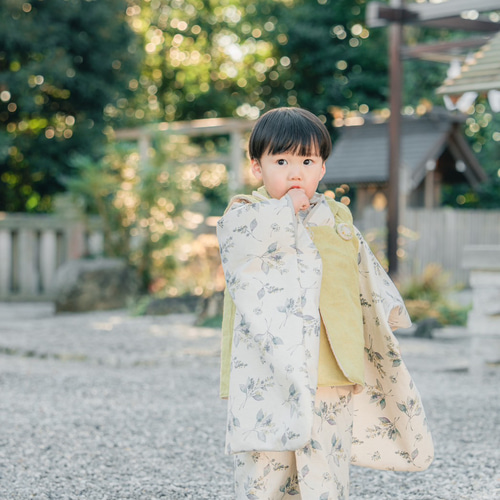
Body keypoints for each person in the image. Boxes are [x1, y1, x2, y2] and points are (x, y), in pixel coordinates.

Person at [217, 107, 434, 499]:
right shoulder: (246, 213)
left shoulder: (336, 217)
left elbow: (362, 268)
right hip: (267, 366)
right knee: (266, 464)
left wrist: (388, 310)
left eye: (307, 160)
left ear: (322, 169)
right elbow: (240, 246)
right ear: (257, 167)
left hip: (329, 365)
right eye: (280, 161)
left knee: (325, 466)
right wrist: (286, 212)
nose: (294, 172)